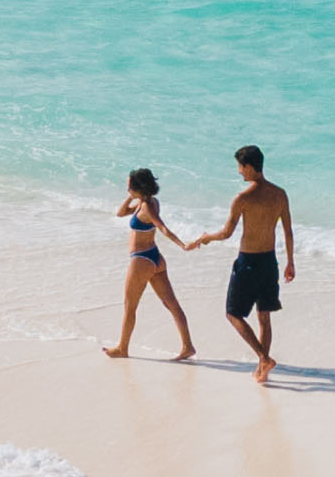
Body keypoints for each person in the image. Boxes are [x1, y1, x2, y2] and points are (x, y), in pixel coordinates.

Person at [188, 145, 294, 382]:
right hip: (270, 262)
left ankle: (263, 359)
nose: (239, 172)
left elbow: (226, 233)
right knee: (264, 316)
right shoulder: (280, 194)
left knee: (233, 313)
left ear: (249, 166)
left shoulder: (243, 198)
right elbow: (288, 231)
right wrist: (290, 262)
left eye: (240, 167)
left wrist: (206, 238)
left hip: (248, 262)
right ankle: (262, 369)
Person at [102, 168, 196, 361]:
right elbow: (120, 213)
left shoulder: (146, 207)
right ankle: (188, 346)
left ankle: (122, 348)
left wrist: (182, 245)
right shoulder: (147, 203)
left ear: (138, 187)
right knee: (171, 304)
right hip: (155, 258)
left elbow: (162, 227)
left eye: (129, 185)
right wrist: (131, 197)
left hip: (141, 260)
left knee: (130, 306)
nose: (127, 188)